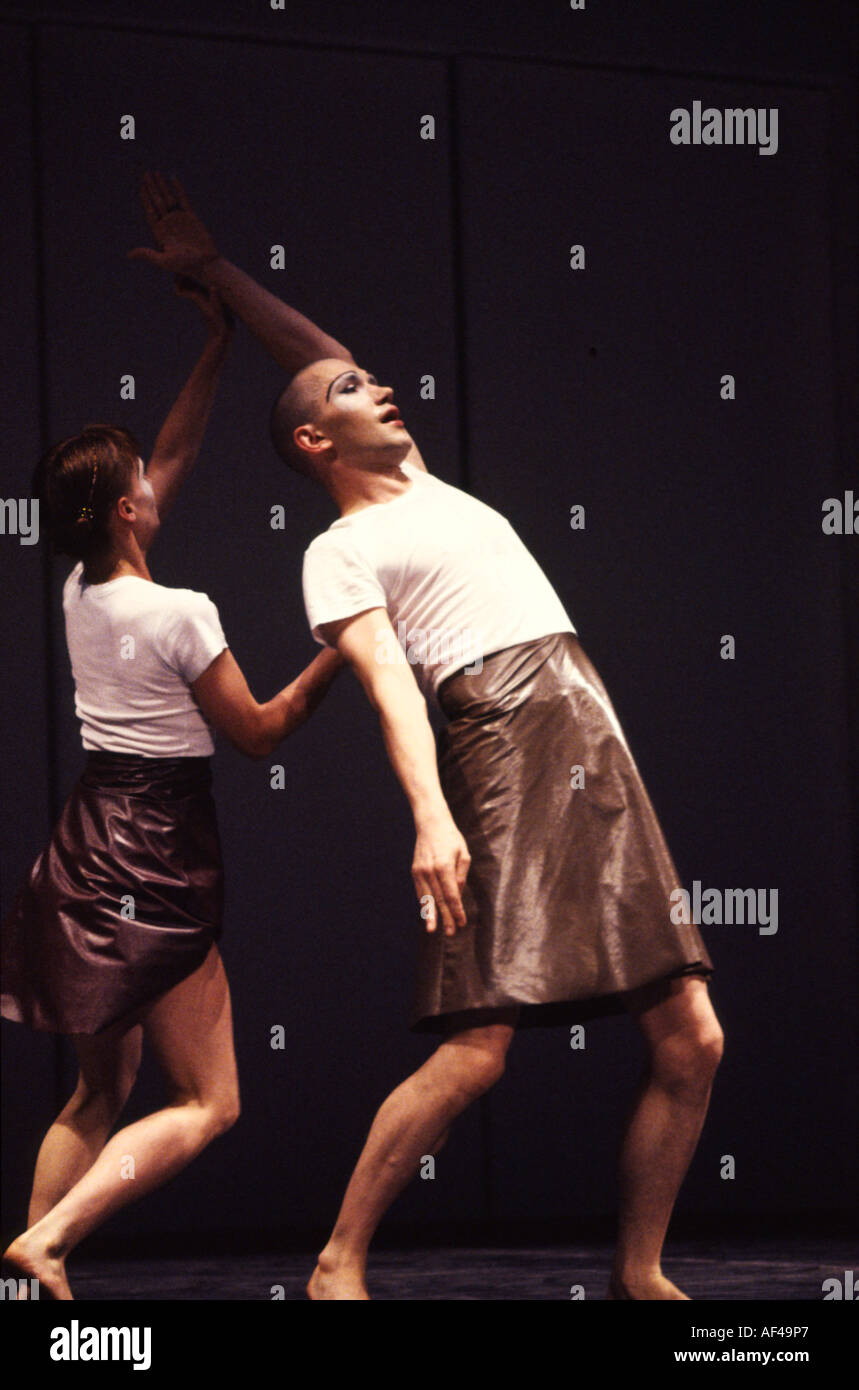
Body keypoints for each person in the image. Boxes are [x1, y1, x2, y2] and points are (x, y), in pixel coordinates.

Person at [130, 173, 723, 1302]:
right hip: (497, 735)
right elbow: (393, 688)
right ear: (314, 439)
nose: (383, 386)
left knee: (692, 1034)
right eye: (355, 389)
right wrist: (432, 817)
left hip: (584, 723)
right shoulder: (340, 552)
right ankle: (337, 1261)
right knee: (477, 1044)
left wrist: (216, 272)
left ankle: (642, 1274)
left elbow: (315, 343)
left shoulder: (429, 489)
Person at [1, 275, 342, 1300]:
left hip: (87, 843)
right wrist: (349, 642)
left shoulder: (81, 586)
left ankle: (29, 1282)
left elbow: (175, 454)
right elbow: (260, 733)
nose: (158, 478)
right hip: (156, 850)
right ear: (123, 510)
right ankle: (47, 1243)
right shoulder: (180, 611)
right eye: (138, 480)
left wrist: (214, 349)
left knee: (97, 1091)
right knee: (211, 1100)